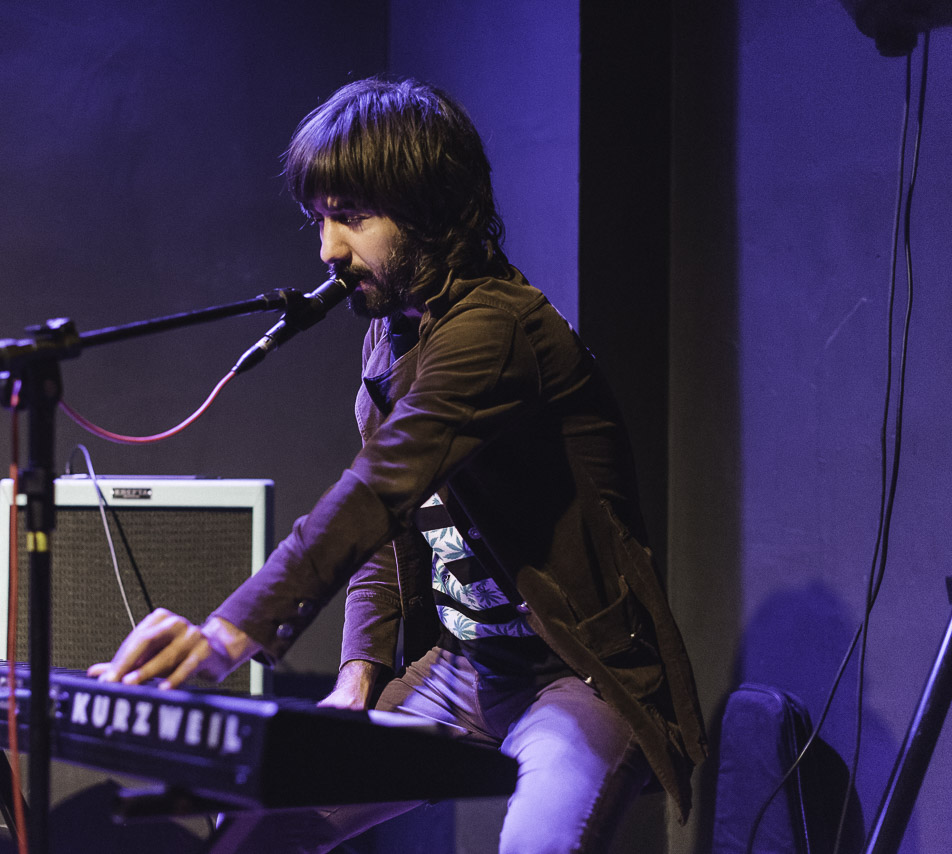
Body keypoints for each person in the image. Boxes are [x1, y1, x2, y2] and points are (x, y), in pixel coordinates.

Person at [89, 76, 707, 853]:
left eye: (351, 218)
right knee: (254, 831)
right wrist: (357, 674)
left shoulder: (496, 331)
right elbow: (391, 524)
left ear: (429, 208)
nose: (328, 250)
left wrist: (225, 638)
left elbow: (374, 493)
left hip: (574, 676)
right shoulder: (393, 329)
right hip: (460, 672)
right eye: (321, 219)